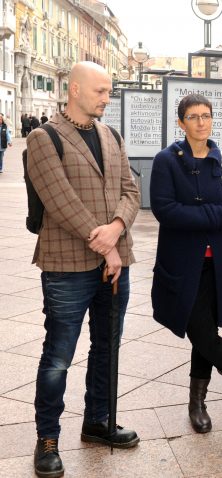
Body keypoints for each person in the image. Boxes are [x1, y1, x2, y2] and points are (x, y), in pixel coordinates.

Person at [26, 61, 140, 478]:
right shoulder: (43, 138)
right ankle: (47, 439)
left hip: (115, 260)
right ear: (74, 89)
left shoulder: (111, 135)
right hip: (67, 265)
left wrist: (115, 230)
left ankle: (98, 422)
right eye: (101, 91)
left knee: (107, 347)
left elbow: (131, 189)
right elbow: (60, 201)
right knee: (58, 355)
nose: (107, 98)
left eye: (108, 91)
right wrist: (104, 242)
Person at [150, 93, 222, 433]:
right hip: (181, 262)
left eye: (206, 115)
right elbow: (165, 209)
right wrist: (212, 216)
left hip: (218, 262)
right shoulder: (166, 161)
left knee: (205, 331)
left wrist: (198, 215)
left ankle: (197, 403)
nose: (201, 122)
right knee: (200, 330)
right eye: (193, 116)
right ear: (181, 123)